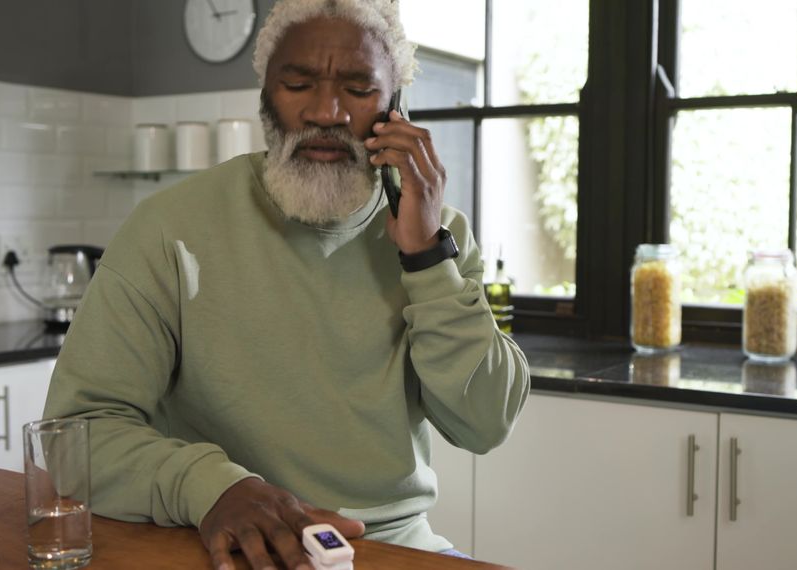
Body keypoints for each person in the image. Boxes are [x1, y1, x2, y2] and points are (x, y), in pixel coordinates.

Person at [43, 0, 530, 569]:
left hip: (390, 547)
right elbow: (74, 439)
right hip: (217, 543)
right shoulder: (166, 231)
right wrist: (213, 488)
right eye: (298, 83)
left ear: (394, 105)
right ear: (266, 97)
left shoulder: (437, 237)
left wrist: (426, 259)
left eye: (357, 88)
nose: (326, 111)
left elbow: (485, 423)